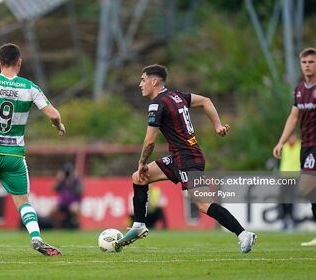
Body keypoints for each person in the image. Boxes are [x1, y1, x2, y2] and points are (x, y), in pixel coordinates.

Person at [115, 64, 257, 253]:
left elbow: (149, 142)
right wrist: (217, 126)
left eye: (143, 79)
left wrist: (142, 162)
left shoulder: (157, 104)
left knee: (204, 204)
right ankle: (139, 225)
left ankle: (243, 234)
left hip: (188, 160)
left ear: (154, 81)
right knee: (139, 178)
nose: (140, 84)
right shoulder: (177, 96)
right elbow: (206, 101)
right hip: (178, 158)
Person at [0, 43, 65, 256]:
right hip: (14, 156)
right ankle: (36, 237)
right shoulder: (30, 88)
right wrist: (58, 126)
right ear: (20, 62)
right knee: (22, 201)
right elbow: (54, 115)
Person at [273, 47, 316, 246]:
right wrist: (281, 141)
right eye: (304, 62)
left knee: (307, 186)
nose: (307, 65)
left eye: (311, 62)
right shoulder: (299, 89)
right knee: (308, 189)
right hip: (306, 146)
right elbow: (294, 116)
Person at [278, 133, 300, 230]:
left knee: (291, 199)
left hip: (294, 176)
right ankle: (284, 219)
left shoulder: (300, 146)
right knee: (282, 199)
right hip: (284, 175)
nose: (291, 138)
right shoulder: (284, 146)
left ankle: (291, 219)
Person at [50, 162, 82, 229]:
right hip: (62, 203)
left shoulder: (76, 180)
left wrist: (71, 182)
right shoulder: (61, 180)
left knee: (75, 209)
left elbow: (79, 191)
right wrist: (58, 180)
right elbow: (54, 189)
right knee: (53, 211)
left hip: (73, 202)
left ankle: (77, 225)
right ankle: (57, 227)